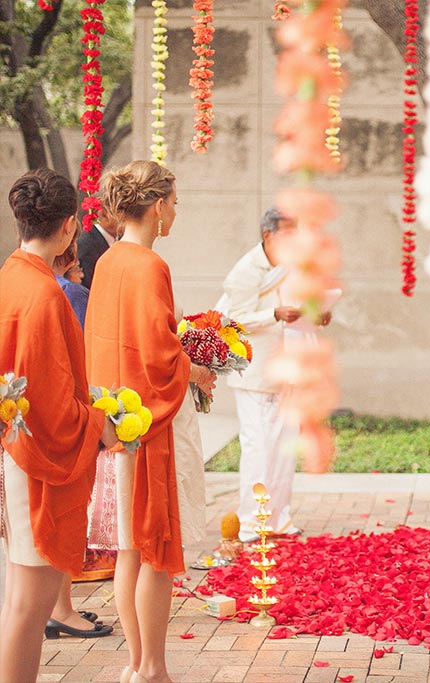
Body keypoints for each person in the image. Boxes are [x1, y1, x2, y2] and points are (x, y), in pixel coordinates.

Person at [86, 160, 216, 683]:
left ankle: (135, 662)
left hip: (119, 418)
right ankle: (154, 667)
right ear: (158, 206)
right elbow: (161, 350)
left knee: (127, 549)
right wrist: (197, 370)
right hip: (152, 421)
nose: (176, 212)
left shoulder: (110, 261)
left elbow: (105, 339)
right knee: (156, 550)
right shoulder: (149, 265)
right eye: (175, 203)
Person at [0, 168, 116, 682]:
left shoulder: (12, 275)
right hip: (33, 455)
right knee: (30, 604)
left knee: (21, 603)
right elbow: (49, 405)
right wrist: (99, 424)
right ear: (70, 226)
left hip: (15, 449)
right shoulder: (44, 293)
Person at [219, 208, 311, 542]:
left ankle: (280, 518)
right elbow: (234, 320)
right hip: (255, 374)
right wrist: (273, 314)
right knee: (258, 449)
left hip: (288, 368)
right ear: (268, 235)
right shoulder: (246, 270)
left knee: (285, 447)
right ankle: (251, 522)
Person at [41, 233, 115, 640]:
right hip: (72, 417)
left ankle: (58, 605)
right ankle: (58, 609)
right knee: (69, 516)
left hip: (36, 421)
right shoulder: (71, 293)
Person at [77, 208, 117, 289]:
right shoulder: (87, 247)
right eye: (121, 210)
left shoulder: (113, 240)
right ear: (104, 215)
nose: (128, 217)